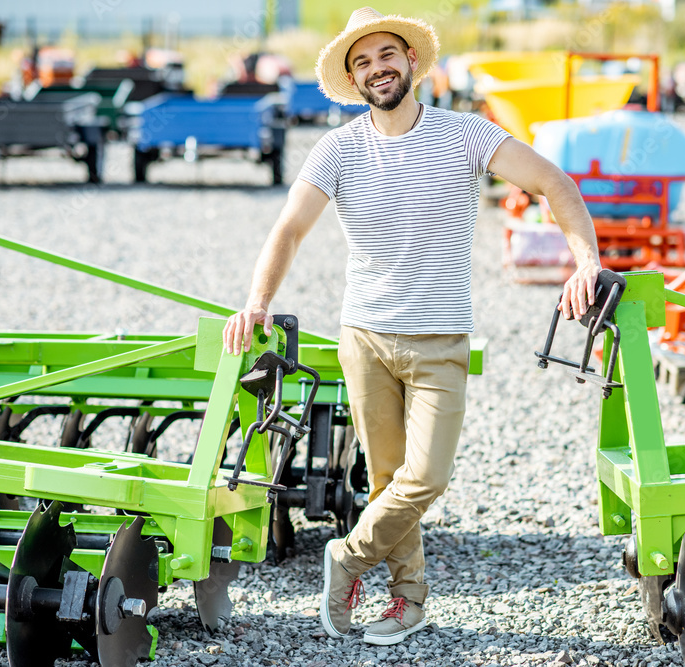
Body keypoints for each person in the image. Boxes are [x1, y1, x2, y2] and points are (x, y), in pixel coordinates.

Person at [223, 6, 601, 647]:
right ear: (354, 77)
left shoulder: (469, 136)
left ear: (413, 63)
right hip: (364, 337)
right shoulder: (338, 148)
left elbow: (555, 184)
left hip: (440, 340)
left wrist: (585, 260)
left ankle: (346, 559)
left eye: (386, 56)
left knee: (426, 478)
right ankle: (407, 602)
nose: (377, 69)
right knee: (385, 481)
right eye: (362, 61)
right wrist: (256, 302)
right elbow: (288, 228)